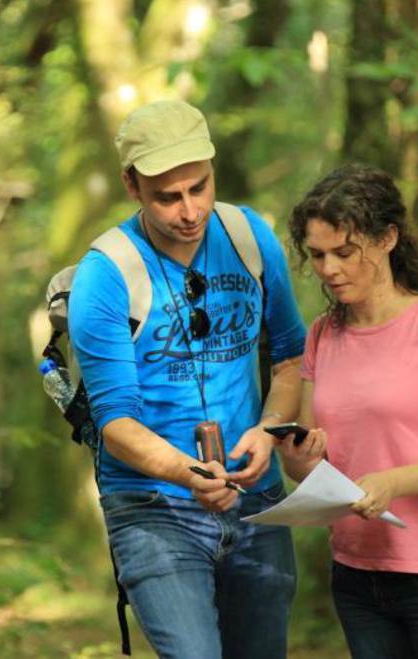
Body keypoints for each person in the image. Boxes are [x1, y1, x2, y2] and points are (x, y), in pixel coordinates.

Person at [68, 100, 320, 659]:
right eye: (168, 196)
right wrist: (188, 474)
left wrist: (269, 428)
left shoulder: (249, 236)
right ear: (132, 186)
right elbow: (115, 423)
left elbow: (287, 358)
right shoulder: (105, 276)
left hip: (255, 497)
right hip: (153, 505)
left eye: (199, 188)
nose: (189, 210)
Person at [282, 163, 418, 659]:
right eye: (317, 255)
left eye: (344, 253)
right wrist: (300, 459)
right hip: (356, 573)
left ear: (387, 239)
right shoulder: (322, 333)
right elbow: (306, 462)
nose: (329, 269)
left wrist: (392, 482)